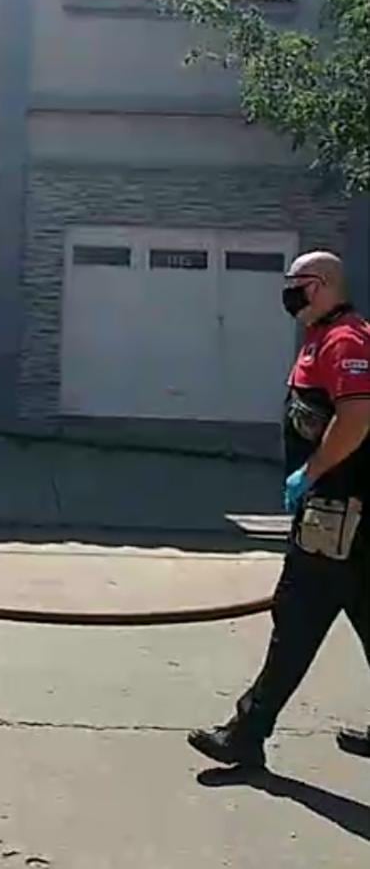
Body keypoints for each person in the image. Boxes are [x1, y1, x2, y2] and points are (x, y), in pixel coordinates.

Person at [189, 250, 370, 769]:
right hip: (349, 517)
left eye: (294, 285)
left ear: (319, 285)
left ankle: (247, 733)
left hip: (335, 514)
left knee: (296, 619)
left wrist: (309, 475)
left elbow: (357, 419)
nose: (287, 296)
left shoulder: (346, 341)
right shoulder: (325, 337)